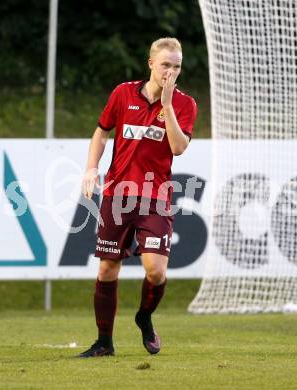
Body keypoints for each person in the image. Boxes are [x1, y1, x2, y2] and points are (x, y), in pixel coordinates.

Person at [79, 37, 197, 357]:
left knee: (155, 271)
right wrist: (91, 167)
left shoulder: (184, 104)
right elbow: (102, 131)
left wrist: (168, 105)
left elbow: (178, 147)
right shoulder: (123, 93)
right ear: (151, 64)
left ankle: (144, 317)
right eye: (165, 65)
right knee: (107, 270)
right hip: (118, 195)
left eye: (177, 67)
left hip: (156, 197)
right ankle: (104, 342)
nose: (171, 72)